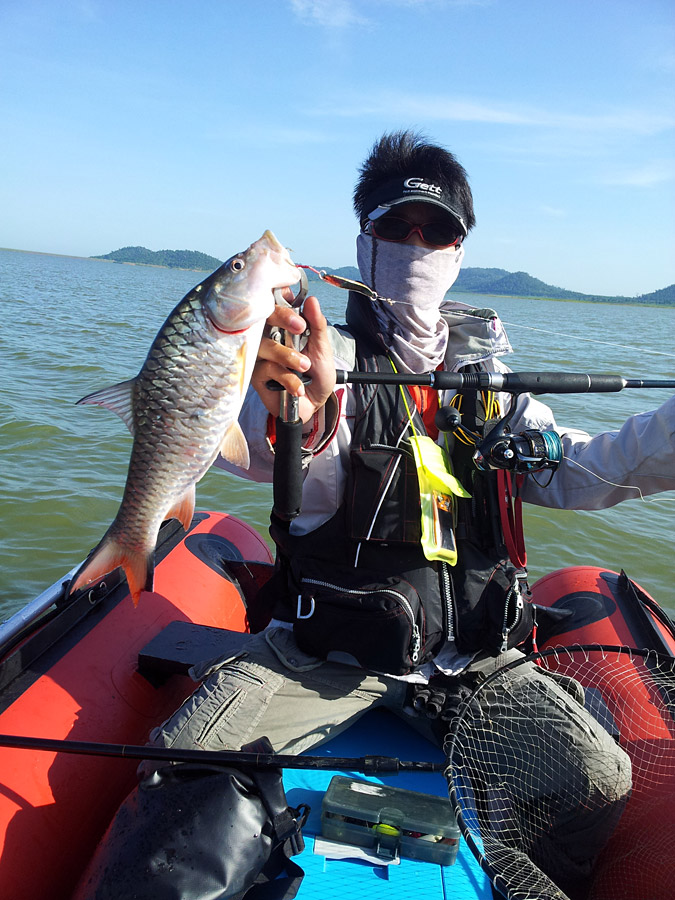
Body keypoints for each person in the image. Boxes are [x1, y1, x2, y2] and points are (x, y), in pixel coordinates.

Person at [83, 132, 675, 899]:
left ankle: (512, 872)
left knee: (597, 779)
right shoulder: (306, 348)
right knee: (184, 765)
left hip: (471, 661)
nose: (416, 245)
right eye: (396, 228)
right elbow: (300, 477)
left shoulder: (488, 378)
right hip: (323, 654)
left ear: (461, 250)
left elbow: (590, 473)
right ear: (363, 242)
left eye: (438, 231)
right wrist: (309, 413)